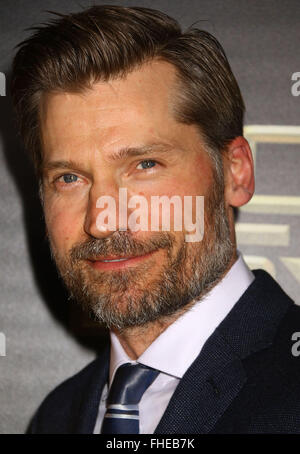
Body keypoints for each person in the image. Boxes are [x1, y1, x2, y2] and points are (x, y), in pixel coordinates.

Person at [11, 5, 300, 434]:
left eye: (144, 165)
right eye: (69, 177)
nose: (102, 221)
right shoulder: (58, 416)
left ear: (236, 172)